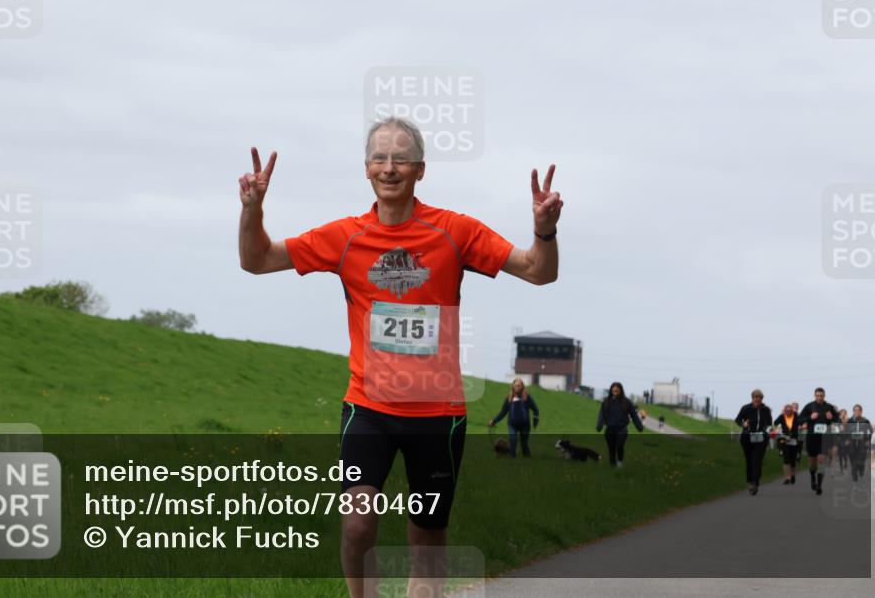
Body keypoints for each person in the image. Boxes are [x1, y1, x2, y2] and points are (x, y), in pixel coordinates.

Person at [237, 116, 562, 598]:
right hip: (368, 409)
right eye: (380, 157)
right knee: (357, 524)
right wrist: (252, 211)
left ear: (421, 169)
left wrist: (545, 232)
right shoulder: (345, 236)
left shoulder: (455, 231)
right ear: (366, 169)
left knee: (426, 543)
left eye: (402, 158)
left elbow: (539, 272)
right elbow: (257, 259)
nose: (390, 167)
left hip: (438, 415)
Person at [796, 387, 840, 495]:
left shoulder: (829, 407)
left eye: (821, 395)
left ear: (824, 396)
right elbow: (800, 419)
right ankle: (812, 478)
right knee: (812, 462)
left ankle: (819, 485)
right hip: (812, 437)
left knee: (821, 460)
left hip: (824, 438)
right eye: (818, 395)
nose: (819, 397)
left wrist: (832, 418)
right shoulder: (809, 406)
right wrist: (810, 417)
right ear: (815, 396)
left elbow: (838, 419)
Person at [595, 381, 644, 468]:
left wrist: (639, 427)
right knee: (611, 449)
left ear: (621, 390)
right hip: (609, 430)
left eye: (617, 388)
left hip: (622, 429)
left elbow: (634, 415)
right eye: (614, 388)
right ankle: (612, 466)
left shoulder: (626, 402)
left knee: (620, 446)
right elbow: (601, 415)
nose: (616, 389)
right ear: (611, 390)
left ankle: (620, 462)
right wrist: (599, 426)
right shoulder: (606, 402)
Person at [488, 378, 540, 457]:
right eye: (515, 386)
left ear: (522, 387)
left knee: (524, 445)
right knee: (513, 440)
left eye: (519, 386)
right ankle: (512, 458)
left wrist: (535, 421)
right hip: (512, 425)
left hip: (525, 425)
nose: (517, 387)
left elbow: (536, 409)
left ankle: (527, 458)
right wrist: (494, 421)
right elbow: (503, 412)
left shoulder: (527, 397)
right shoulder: (509, 398)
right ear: (513, 387)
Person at [735, 389, 772, 495]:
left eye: (759, 397)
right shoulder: (746, 408)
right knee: (749, 460)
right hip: (747, 437)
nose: (757, 399)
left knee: (757, 460)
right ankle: (750, 481)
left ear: (762, 399)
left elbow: (769, 422)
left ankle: (755, 482)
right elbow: (737, 420)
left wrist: (766, 429)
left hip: (761, 438)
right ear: (752, 398)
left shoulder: (765, 409)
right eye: (755, 397)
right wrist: (744, 424)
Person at [846, 404, 874, 483]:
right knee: (853, 461)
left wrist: (868, 440)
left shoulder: (865, 421)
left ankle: (861, 469)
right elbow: (846, 431)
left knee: (861, 461)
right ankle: (854, 476)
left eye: (858, 410)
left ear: (861, 411)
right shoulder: (850, 421)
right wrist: (847, 440)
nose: (857, 411)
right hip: (852, 443)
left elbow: (870, 431)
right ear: (853, 411)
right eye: (855, 410)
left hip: (862, 443)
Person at [773, 403, 800, 485]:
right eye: (786, 410)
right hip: (784, 439)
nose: (788, 412)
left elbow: (802, 422)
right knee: (786, 459)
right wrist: (781, 415)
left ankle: (793, 475)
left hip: (794, 439)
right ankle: (787, 478)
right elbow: (775, 423)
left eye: (790, 410)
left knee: (793, 460)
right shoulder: (782, 416)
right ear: (784, 411)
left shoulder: (796, 416)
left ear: (792, 411)